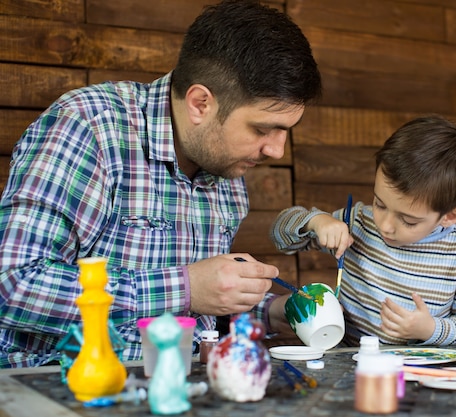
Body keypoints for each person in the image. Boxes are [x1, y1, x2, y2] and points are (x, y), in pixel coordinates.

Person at [0, 0, 322, 368]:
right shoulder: (90, 127)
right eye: (262, 129)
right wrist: (184, 289)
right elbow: (13, 285)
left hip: (179, 389)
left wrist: (271, 311)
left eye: (285, 132)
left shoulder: (227, 167)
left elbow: (201, 309)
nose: (276, 150)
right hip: (63, 391)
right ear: (200, 103)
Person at [270, 115, 456, 346]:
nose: (384, 225)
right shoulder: (357, 223)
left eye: (408, 221)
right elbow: (278, 236)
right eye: (379, 204)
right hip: (348, 363)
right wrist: (316, 222)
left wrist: (430, 329)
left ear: (450, 216)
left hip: (416, 372)